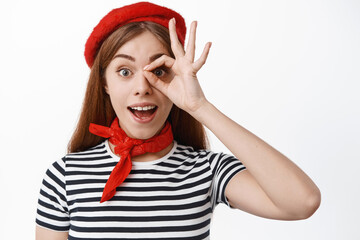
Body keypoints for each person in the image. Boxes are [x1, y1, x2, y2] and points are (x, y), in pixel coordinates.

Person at [35, 2, 321, 239]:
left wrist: (199, 106)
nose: (142, 87)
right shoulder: (64, 177)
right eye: (124, 71)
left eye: (158, 71)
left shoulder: (207, 170)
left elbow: (302, 202)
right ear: (104, 83)